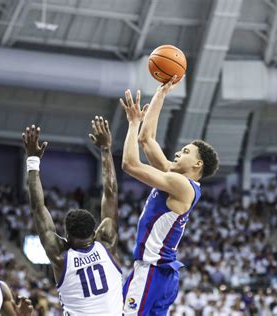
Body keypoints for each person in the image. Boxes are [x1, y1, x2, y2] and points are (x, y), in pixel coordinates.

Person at [120, 77, 219, 315]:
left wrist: (133, 123)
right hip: (163, 275)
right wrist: (161, 94)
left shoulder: (181, 184)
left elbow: (130, 164)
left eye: (185, 152)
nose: (176, 153)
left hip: (152, 270)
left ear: (197, 164)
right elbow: (147, 140)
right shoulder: (177, 181)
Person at [22, 116, 122, 315]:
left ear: (66, 237)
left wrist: (33, 160)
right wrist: (105, 149)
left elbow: (38, 207)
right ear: (95, 232)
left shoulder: (60, 254)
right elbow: (110, 192)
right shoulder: (107, 243)